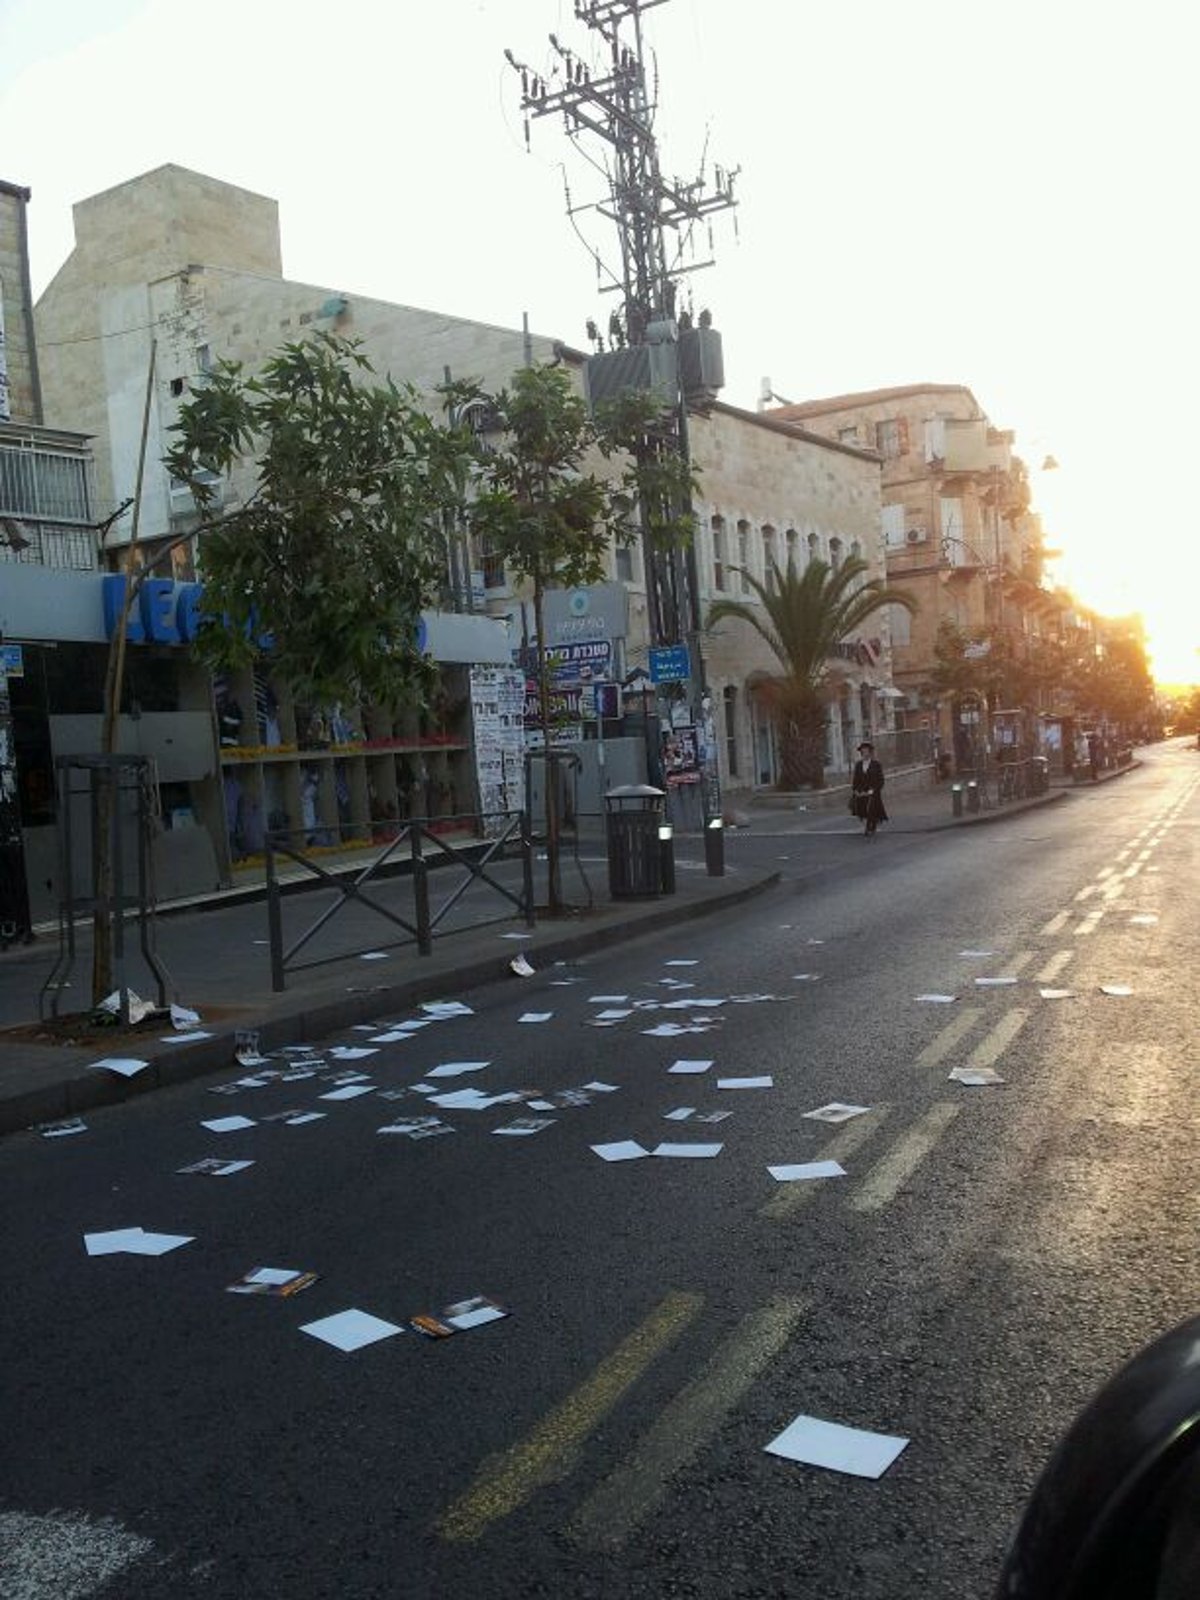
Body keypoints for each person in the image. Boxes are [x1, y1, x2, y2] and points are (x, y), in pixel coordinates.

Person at [852, 740, 888, 837]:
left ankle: (869, 827)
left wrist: (873, 790)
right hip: (862, 791)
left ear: (870, 752)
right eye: (863, 751)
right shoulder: (859, 765)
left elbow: (880, 780)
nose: (865, 753)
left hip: (873, 791)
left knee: (871, 808)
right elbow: (855, 779)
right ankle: (873, 821)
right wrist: (855, 790)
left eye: (866, 751)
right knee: (863, 809)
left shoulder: (876, 765)